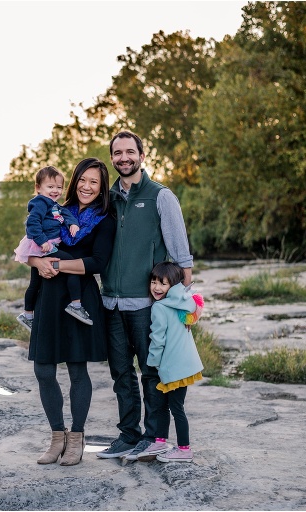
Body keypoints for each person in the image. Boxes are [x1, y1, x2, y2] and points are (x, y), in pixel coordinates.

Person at [95, 130, 195, 461]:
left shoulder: (160, 196)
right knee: (121, 373)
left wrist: (180, 309)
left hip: (148, 306)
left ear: (141, 155)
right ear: (111, 158)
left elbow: (182, 261)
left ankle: (155, 437)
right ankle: (128, 436)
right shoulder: (106, 200)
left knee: (151, 372)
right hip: (111, 302)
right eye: (117, 153)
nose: (124, 157)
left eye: (129, 152)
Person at [26, 158, 116, 466]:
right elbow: (31, 244)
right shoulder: (54, 209)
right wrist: (36, 262)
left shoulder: (104, 219)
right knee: (43, 370)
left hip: (78, 296)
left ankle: (76, 438)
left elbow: (98, 263)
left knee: (78, 370)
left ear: (102, 187)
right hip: (49, 295)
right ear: (74, 180)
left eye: (95, 182)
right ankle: (56, 437)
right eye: (83, 180)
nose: (87, 186)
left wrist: (57, 264)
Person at [132, 261, 204, 463]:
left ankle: (184, 450)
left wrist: (151, 362)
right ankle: (160, 441)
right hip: (183, 363)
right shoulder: (185, 301)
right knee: (164, 404)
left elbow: (158, 339)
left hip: (172, 365)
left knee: (175, 407)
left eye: (162, 284)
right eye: (154, 282)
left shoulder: (160, 307)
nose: (156, 288)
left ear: (172, 286)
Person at [14, 166, 92, 331]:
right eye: (50, 187)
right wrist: (42, 241)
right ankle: (76, 305)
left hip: (45, 245)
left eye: (59, 187)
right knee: (70, 264)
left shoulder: (54, 205)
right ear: (38, 188)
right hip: (42, 245)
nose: (55, 191)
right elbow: (32, 223)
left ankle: (27, 315)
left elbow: (65, 213)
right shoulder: (41, 203)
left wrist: (73, 224)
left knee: (35, 282)